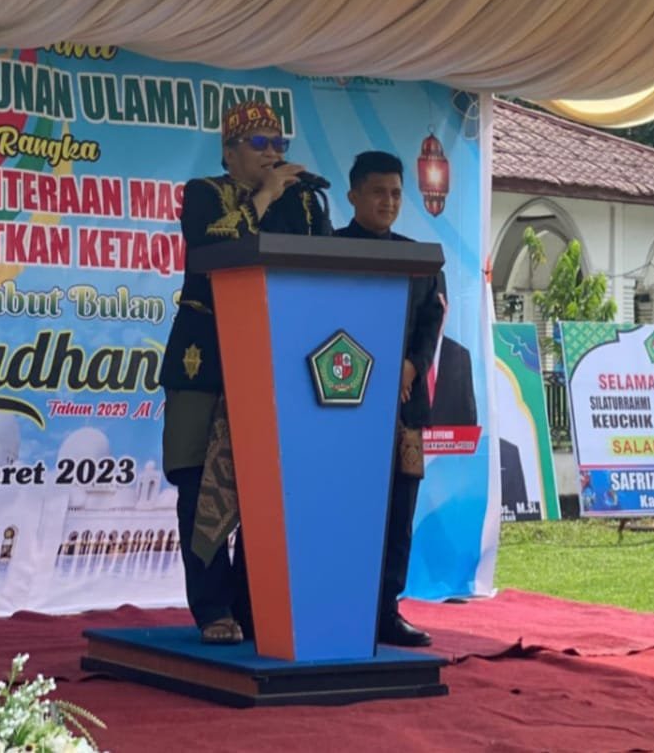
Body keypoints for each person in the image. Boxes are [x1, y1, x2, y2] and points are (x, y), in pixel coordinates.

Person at [160, 100, 330, 645]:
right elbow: (212, 246)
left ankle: (254, 607)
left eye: (279, 143)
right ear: (229, 152)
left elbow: (326, 266)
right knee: (196, 483)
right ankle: (213, 608)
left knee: (267, 485)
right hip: (204, 360)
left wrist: (287, 196)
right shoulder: (205, 192)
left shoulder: (304, 201)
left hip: (275, 360)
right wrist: (265, 196)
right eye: (260, 143)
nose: (273, 153)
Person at [334, 150, 443, 647]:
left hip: (403, 407)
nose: (389, 202)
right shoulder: (326, 252)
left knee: (398, 512)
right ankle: (335, 606)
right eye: (378, 192)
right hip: (340, 407)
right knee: (343, 507)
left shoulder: (420, 259)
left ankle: (385, 612)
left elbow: (431, 323)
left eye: (396, 193)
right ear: (353, 195)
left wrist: (412, 365)